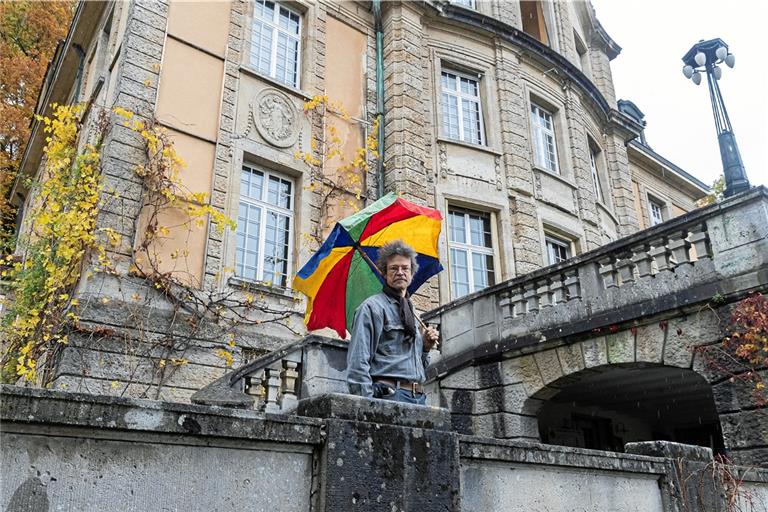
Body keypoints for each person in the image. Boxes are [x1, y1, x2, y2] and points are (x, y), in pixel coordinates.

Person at [346, 240, 440, 405]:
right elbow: (357, 363)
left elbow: (418, 367)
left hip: (418, 398)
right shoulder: (371, 308)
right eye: (394, 268)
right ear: (383, 273)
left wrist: (425, 347)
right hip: (389, 396)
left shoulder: (412, 312)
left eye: (405, 268)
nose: (400, 272)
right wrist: (368, 405)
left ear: (412, 274)